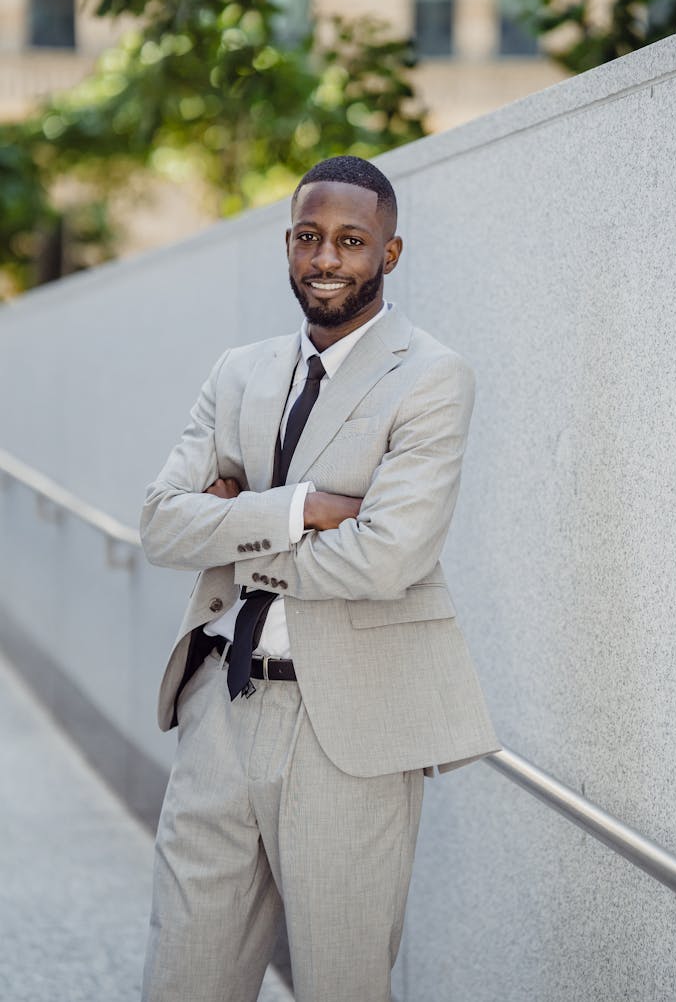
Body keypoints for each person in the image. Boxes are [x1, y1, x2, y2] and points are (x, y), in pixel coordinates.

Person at [139, 155, 499, 1002]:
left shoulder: (430, 376)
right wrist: (301, 505)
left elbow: (386, 557)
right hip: (218, 710)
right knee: (184, 978)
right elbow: (161, 523)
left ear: (390, 253)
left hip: (349, 728)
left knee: (341, 981)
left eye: (350, 240)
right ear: (289, 245)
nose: (326, 259)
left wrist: (231, 525)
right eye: (309, 238)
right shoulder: (238, 372)